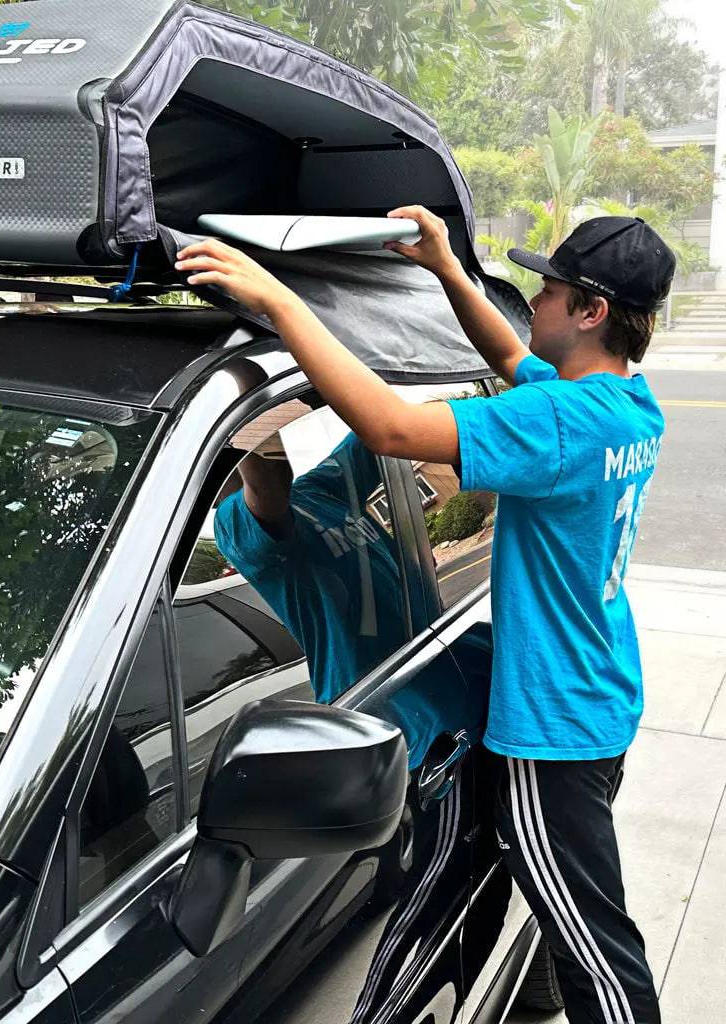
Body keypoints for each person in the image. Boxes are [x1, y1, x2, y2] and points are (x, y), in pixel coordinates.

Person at [176, 210, 672, 1024]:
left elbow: (392, 427)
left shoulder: (559, 422)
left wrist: (279, 301)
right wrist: (446, 268)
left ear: (591, 313)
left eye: (546, 291)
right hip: (598, 693)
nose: (531, 303)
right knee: (586, 931)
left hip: (553, 730)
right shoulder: (620, 407)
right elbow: (510, 356)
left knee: (596, 953)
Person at [214, 422, 406, 705]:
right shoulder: (232, 523)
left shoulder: (317, 489)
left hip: (430, 659)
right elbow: (266, 484)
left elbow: (378, 426)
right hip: (373, 698)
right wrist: (236, 397)